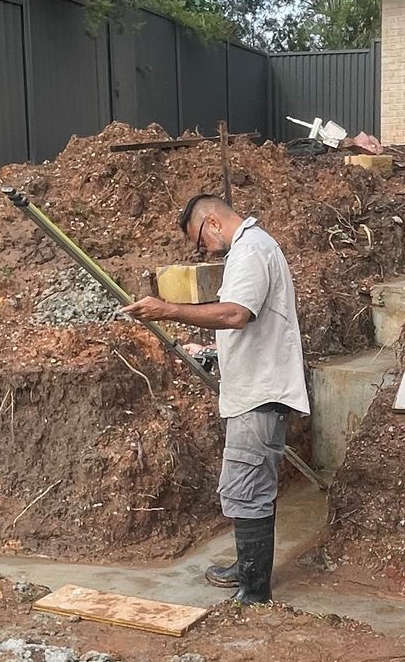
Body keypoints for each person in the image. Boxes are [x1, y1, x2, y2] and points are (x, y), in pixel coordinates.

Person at [122, 193, 308, 606]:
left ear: (214, 223)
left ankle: (254, 591)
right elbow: (240, 321)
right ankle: (247, 568)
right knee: (250, 483)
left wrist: (167, 310)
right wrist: (212, 350)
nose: (201, 249)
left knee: (247, 487)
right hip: (256, 387)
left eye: (200, 240)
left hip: (260, 392)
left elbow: (234, 314)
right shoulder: (254, 247)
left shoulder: (250, 250)